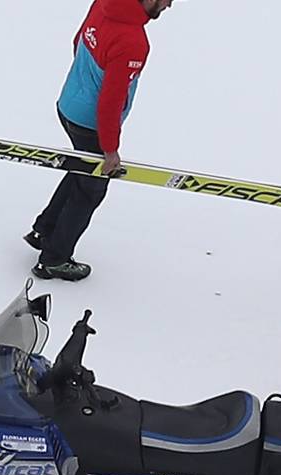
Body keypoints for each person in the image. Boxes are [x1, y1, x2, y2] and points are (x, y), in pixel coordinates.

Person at [22, 0, 176, 282]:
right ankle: (54, 260)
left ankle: (44, 230)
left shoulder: (104, 3)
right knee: (91, 190)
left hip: (68, 106)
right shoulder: (133, 41)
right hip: (89, 124)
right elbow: (110, 100)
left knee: (81, 170)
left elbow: (78, 40)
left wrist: (82, 86)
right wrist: (110, 149)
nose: (169, 5)